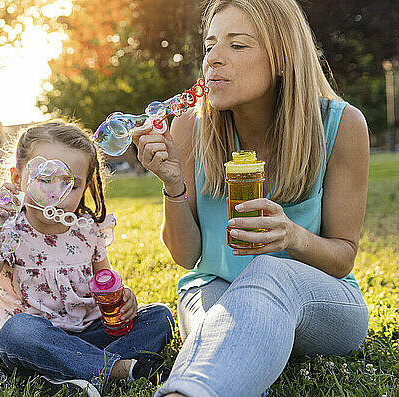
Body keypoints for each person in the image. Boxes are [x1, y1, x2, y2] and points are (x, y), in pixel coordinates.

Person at [130, 0, 370, 396]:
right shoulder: (190, 125)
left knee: (268, 272)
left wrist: (292, 237)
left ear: (281, 56)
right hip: (214, 288)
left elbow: (342, 258)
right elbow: (188, 257)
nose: (214, 59)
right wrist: (172, 184)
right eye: (210, 46)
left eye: (237, 45)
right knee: (223, 318)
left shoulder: (341, 125)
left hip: (317, 299)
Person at [0, 120, 174, 396]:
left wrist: (124, 300)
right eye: (44, 179)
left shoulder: (88, 230)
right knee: (16, 332)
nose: (55, 195)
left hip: (91, 332)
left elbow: (105, 286)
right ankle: (117, 368)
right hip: (37, 339)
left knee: (159, 315)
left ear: (86, 187)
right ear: (16, 178)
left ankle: (74, 371)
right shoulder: (6, 230)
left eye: (70, 185)